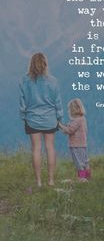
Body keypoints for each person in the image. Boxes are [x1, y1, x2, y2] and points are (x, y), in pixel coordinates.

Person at [19, 53, 63, 187]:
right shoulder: (53, 81)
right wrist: (59, 118)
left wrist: (24, 117)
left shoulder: (24, 80)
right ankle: (51, 180)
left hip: (32, 119)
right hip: (50, 119)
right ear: (45, 64)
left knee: (36, 149)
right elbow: (58, 102)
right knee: (50, 148)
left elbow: (22, 103)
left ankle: (38, 182)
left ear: (31, 64)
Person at [59, 98, 90, 183]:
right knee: (85, 162)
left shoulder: (77, 120)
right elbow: (84, 130)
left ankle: (82, 179)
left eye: (69, 109)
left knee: (79, 163)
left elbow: (70, 130)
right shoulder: (83, 119)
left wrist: (59, 126)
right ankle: (87, 177)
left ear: (73, 110)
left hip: (76, 145)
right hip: (83, 144)